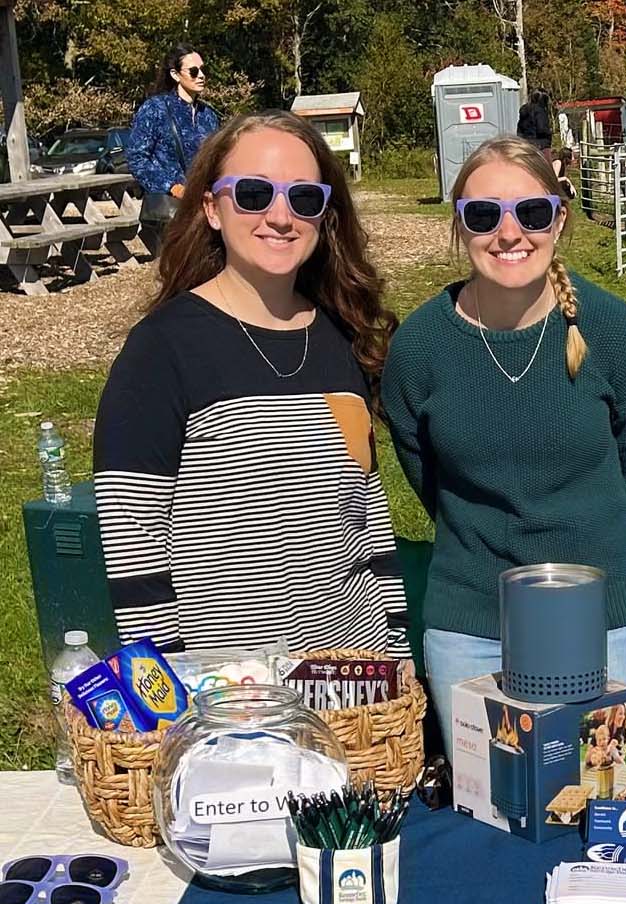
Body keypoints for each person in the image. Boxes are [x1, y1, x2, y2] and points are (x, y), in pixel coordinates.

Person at [382, 136, 626, 761]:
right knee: (488, 813)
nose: (509, 233)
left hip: (607, 618)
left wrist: (581, 561)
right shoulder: (420, 347)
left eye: (532, 213)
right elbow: (426, 476)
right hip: (471, 621)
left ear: (559, 220)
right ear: (459, 223)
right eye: (484, 214)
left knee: (594, 805)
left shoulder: (613, 330)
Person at [95, 111, 409, 659]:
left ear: (324, 214)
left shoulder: (341, 339)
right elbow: (133, 555)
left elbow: (370, 534)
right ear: (212, 209)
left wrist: (396, 662)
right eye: (254, 194)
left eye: (304, 198)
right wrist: (173, 699)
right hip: (226, 708)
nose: (281, 217)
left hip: (352, 692)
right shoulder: (162, 350)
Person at [127, 44, 219, 250]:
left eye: (204, 70)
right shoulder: (155, 109)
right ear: (175, 75)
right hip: (171, 210)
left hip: (205, 209)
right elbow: (137, 158)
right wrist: (172, 186)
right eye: (194, 71)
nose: (201, 75)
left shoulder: (208, 115)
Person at [517, 90, 553, 158]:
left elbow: (519, 129)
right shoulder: (540, 111)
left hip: (525, 143)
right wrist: (549, 132)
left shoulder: (524, 111)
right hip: (540, 145)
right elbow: (542, 128)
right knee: (545, 167)